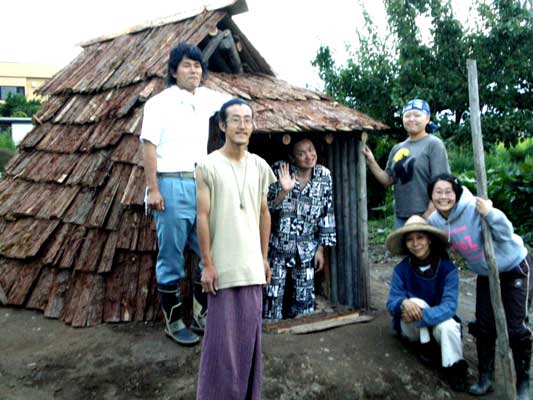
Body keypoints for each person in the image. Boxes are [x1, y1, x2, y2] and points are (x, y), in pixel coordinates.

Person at [140, 43, 229, 346]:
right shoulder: (158, 103)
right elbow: (148, 146)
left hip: (200, 182)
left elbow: (235, 103)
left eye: (198, 66)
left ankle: (202, 314)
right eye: (187, 65)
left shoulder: (205, 99)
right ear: (173, 70)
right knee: (171, 256)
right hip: (171, 182)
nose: (194, 70)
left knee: (207, 250)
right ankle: (174, 320)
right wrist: (153, 189)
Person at [195, 98, 276, 399]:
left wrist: (264, 259)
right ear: (222, 125)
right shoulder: (208, 166)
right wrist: (207, 263)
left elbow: (264, 212)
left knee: (248, 344)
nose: (243, 125)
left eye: (248, 119)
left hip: (252, 268)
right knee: (220, 346)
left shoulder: (259, 166)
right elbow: (202, 216)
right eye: (236, 119)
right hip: (223, 270)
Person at [428, 174, 532, 399]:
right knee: (484, 325)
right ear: (431, 196)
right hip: (486, 272)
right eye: (438, 192)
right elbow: (436, 246)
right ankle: (486, 377)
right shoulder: (436, 221)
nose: (443, 196)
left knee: (516, 328)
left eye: (448, 191)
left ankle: (524, 382)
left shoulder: (474, 207)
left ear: (456, 193)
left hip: (514, 266)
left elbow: (506, 231)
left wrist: (490, 213)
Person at [386, 215, 468, 392]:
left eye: (420, 237)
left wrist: (423, 315)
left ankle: (454, 369)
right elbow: (391, 303)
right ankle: (425, 345)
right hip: (412, 329)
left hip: (437, 324)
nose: (415, 244)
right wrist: (402, 303)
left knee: (449, 326)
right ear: (405, 244)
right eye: (410, 239)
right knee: (413, 301)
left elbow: (449, 306)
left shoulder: (448, 269)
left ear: (429, 239)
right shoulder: (401, 270)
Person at [263, 138, 336, 320]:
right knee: (272, 295)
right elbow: (265, 209)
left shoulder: (323, 175)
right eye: (301, 153)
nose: (308, 156)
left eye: (311, 150)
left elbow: (327, 213)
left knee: (304, 301)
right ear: (292, 157)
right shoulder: (280, 170)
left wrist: (320, 250)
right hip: (278, 247)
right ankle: (270, 334)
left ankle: (303, 342)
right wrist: (284, 191)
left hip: (307, 248)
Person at [362, 99, 450, 227]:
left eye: (417, 115)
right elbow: (387, 180)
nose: (411, 119)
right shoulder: (397, 148)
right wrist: (371, 161)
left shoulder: (434, 144)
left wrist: (429, 213)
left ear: (427, 118)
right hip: (401, 216)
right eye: (407, 115)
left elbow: (442, 182)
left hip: (427, 215)